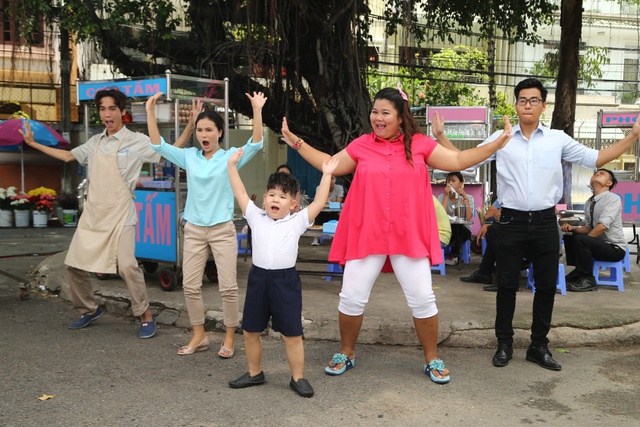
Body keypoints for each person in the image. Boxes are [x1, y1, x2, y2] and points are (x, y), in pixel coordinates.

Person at [281, 86, 513, 384]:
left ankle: (431, 358)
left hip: (408, 235)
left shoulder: (420, 144)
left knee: (423, 299)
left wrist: (495, 145)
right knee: (351, 297)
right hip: (368, 233)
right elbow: (330, 164)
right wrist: (297, 143)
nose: (377, 118)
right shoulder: (362, 145)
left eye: (385, 113)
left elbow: (457, 161)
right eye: (374, 112)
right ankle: (346, 352)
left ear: (400, 118)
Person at [434, 78, 640, 372]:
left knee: (545, 286)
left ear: (544, 105)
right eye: (522, 100)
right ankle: (503, 344)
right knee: (505, 285)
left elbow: (597, 158)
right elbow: (465, 162)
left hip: (545, 221)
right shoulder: (502, 137)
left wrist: (632, 136)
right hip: (511, 221)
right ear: (516, 105)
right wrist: (441, 137)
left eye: (533, 100)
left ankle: (538, 347)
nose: (527, 105)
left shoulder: (557, 139)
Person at [19, 88, 164, 338]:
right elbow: (67, 155)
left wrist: (182, 129)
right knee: (73, 265)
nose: (107, 114)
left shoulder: (136, 140)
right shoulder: (94, 142)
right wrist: (33, 143)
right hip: (94, 214)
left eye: (112, 109)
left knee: (128, 266)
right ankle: (88, 309)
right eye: (102, 109)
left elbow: (162, 151)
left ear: (122, 112)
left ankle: (145, 315)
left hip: (122, 215)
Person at [145, 91, 267, 357]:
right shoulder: (189, 156)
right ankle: (199, 335)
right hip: (194, 230)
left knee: (228, 287)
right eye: (200, 130)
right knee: (190, 285)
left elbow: (256, 143)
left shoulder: (230, 157)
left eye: (209, 129)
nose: (204, 134)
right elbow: (159, 146)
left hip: (222, 229)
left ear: (220, 133)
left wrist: (257, 110)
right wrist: (150, 112)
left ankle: (230, 338)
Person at [226, 149, 339, 398]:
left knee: (292, 333)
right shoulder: (256, 216)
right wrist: (232, 166)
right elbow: (240, 192)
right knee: (250, 330)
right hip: (258, 279)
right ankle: (255, 373)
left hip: (285, 282)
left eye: (283, 197)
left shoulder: (297, 221)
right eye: (273, 195)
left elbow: (320, 202)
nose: (276, 200)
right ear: (265, 198)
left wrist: (327, 174)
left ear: (293, 203)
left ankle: (298, 377)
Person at [562, 168, 627, 292]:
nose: (597, 174)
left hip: (614, 249)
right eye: (595, 173)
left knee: (581, 240)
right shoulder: (590, 201)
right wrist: (573, 229)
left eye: (602, 174)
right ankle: (579, 270)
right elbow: (588, 227)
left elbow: (602, 226)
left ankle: (588, 279)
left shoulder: (613, 199)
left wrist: (583, 242)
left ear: (609, 183)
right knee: (570, 235)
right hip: (599, 244)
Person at [437, 171, 475, 265]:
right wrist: (446, 196)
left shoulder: (468, 197)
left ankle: (454, 255)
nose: (450, 183)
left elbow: (468, 217)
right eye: (448, 180)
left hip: (463, 229)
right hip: (446, 229)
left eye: (453, 181)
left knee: (458, 228)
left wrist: (464, 197)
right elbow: (441, 215)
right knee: (451, 228)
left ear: (461, 183)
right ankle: (452, 255)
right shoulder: (441, 197)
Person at [460, 203, 501, 287]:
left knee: (493, 230)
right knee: (492, 230)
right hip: (510, 230)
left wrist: (498, 214)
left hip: (524, 236)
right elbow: (487, 215)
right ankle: (484, 272)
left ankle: (500, 276)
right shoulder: (504, 196)